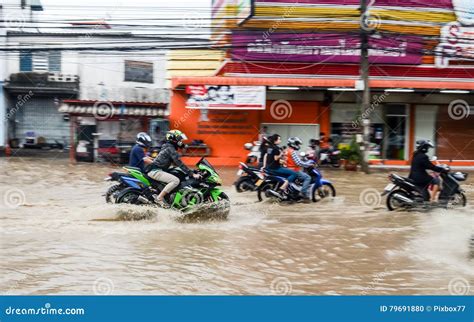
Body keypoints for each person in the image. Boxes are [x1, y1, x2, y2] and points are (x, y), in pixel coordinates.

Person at [148, 129, 200, 208]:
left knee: (176, 172)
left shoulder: (167, 146)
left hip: (156, 170)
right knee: (175, 180)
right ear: (174, 139)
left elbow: (177, 164)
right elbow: (180, 163)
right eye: (179, 139)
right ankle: (159, 198)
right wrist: (192, 174)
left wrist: (192, 171)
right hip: (155, 171)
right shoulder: (170, 149)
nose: (181, 142)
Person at [285, 137, 313, 203]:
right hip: (294, 170)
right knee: (308, 177)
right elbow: (298, 163)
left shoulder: (287, 151)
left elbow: (292, 160)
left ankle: (296, 193)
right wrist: (308, 165)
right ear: (293, 144)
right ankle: (304, 194)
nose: (298, 145)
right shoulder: (293, 152)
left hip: (288, 169)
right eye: (297, 144)